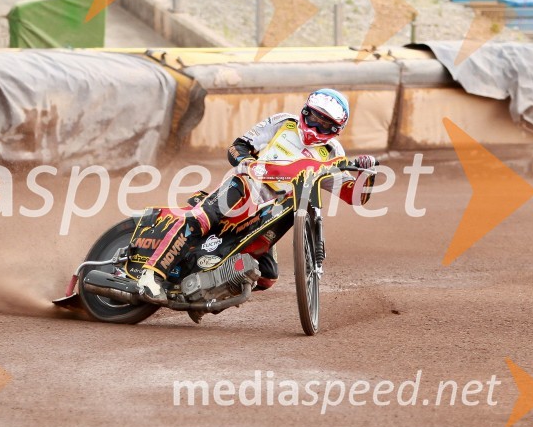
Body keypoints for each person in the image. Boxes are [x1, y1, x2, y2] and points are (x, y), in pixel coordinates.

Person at [137, 88, 378, 304]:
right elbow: (236, 147)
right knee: (201, 218)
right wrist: (248, 163)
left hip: (275, 210)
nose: (315, 128)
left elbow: (355, 197)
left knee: (267, 277)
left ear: (336, 130)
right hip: (246, 185)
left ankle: (208, 289)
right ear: (305, 112)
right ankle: (151, 275)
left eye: (324, 125)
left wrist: (366, 174)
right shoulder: (283, 123)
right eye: (314, 118)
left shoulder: (334, 154)